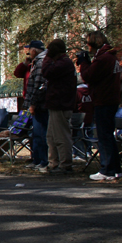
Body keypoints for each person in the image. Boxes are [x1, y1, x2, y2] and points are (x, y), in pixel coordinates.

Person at [78, 31, 122, 181]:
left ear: (94, 44)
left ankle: (107, 169)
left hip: (103, 100)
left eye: (88, 44)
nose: (87, 47)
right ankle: (115, 168)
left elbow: (88, 75)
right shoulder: (111, 57)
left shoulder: (103, 59)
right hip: (110, 99)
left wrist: (84, 63)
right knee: (108, 136)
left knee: (104, 136)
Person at [42, 39, 76, 174]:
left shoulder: (63, 63)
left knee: (61, 136)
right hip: (56, 103)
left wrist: (47, 58)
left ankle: (65, 164)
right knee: (51, 136)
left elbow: (46, 72)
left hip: (61, 103)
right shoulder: (62, 63)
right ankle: (54, 162)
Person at [24, 42, 49, 171]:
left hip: (40, 105)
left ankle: (43, 160)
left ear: (34, 50)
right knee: (36, 134)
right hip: (36, 103)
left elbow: (39, 85)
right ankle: (37, 159)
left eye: (30, 50)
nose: (28, 52)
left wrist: (33, 103)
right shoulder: (36, 62)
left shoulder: (40, 63)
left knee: (41, 133)